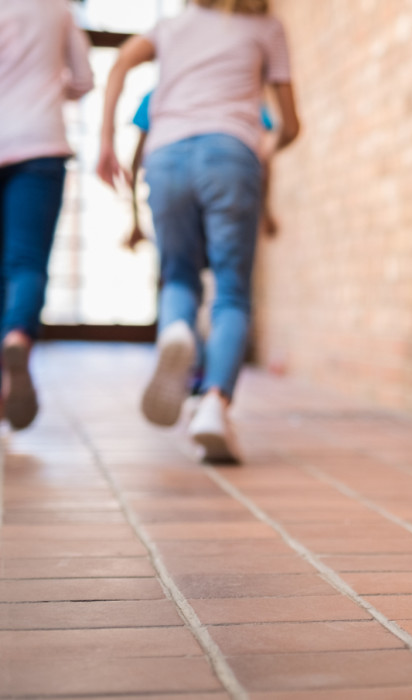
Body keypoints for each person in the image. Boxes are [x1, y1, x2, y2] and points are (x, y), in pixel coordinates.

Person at [96, 0, 299, 463]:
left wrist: (105, 139)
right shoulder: (266, 28)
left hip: (165, 156)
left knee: (178, 277)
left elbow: (122, 61)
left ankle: (175, 331)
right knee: (230, 291)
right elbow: (291, 123)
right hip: (230, 153)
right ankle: (213, 404)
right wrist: (268, 144)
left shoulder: (170, 26)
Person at [0, 0, 94, 431]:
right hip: (41, 143)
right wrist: (54, 85)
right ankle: (18, 335)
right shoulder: (59, 11)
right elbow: (84, 79)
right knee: (27, 262)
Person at [125, 90, 280, 251]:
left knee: (178, 268)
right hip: (222, 181)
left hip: (179, 186)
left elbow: (136, 162)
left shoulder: (158, 94)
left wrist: (135, 221)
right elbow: (261, 156)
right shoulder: (241, 89)